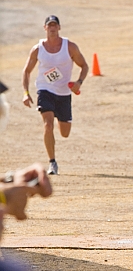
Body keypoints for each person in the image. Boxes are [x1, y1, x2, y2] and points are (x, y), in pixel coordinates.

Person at [22, 15, 89, 175]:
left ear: (59, 28)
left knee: (65, 133)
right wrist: (26, 93)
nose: (52, 28)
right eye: (49, 25)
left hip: (64, 93)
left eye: (55, 25)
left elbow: (84, 65)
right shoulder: (38, 49)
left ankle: (60, 118)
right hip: (45, 90)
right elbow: (27, 71)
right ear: (45, 28)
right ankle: (52, 163)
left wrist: (79, 82)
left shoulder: (70, 46)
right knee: (48, 124)